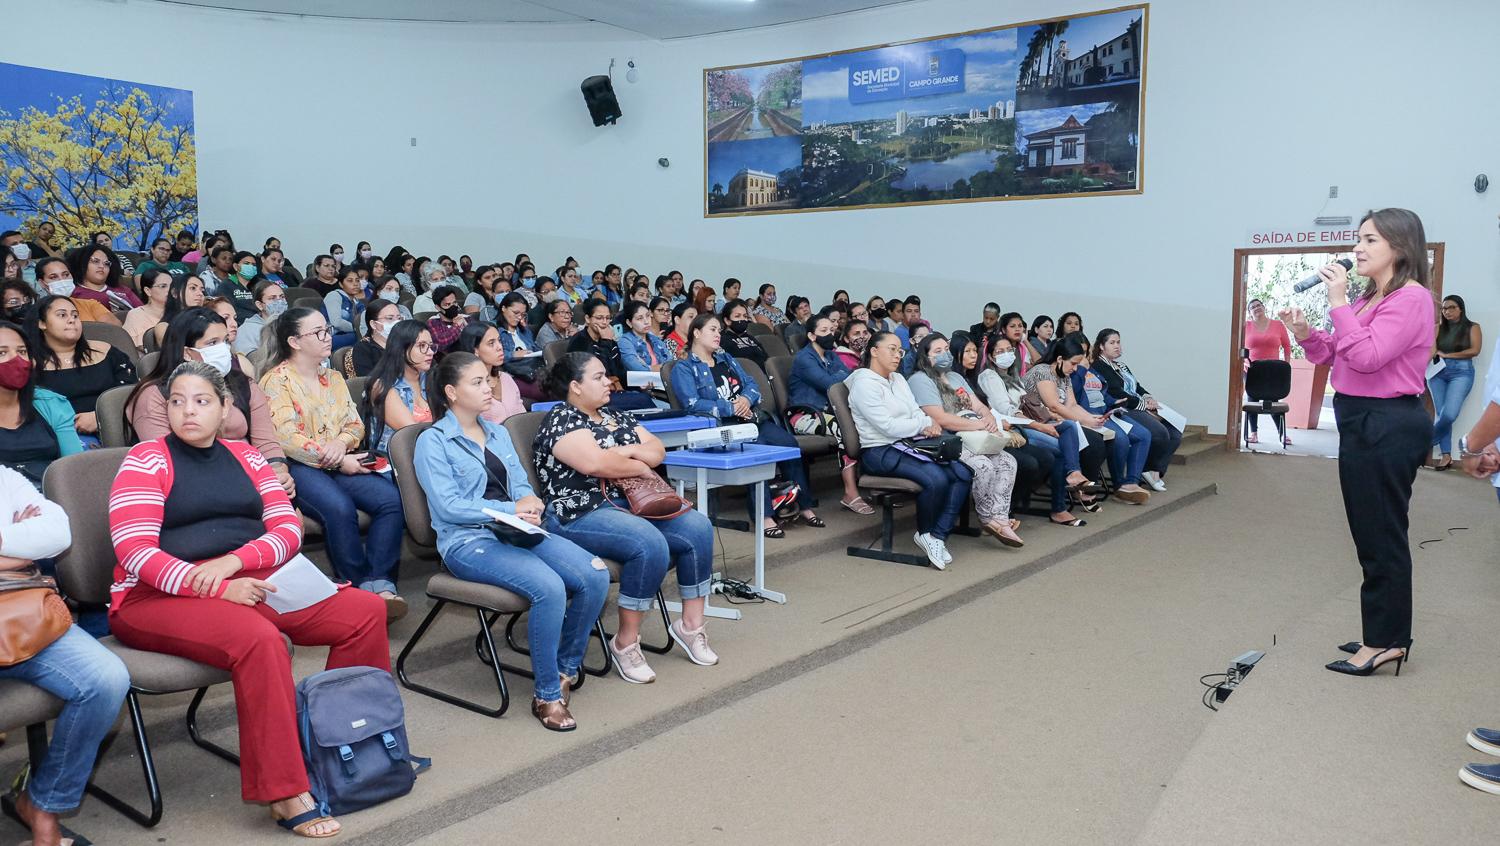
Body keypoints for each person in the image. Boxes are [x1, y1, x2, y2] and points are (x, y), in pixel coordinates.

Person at [108, 360, 388, 839]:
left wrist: (234, 564)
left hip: (250, 579)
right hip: (154, 596)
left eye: (201, 401)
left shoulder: (248, 457)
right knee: (262, 640)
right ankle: (283, 791)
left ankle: (354, 750)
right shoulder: (147, 459)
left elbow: (288, 530)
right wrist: (217, 585)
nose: (187, 412)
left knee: (365, 611)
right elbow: (134, 552)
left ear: (225, 409)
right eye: (176, 402)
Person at [414, 352, 606, 729]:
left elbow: (520, 484)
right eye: (478, 383)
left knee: (594, 574)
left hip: (517, 529)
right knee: (550, 587)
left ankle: (564, 669)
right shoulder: (432, 441)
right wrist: (507, 509)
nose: (489, 388)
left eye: (488, 380)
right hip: (468, 542)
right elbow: (449, 507)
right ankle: (547, 695)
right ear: (451, 392)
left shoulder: (498, 432)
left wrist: (530, 501)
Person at [1282, 208, 1434, 677]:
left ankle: (1384, 642)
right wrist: (1307, 334)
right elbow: (1339, 352)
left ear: (1400, 247)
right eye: (1358, 240)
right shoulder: (1374, 297)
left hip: (1387, 424)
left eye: (1369, 240)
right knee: (1372, 530)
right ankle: (1384, 632)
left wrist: (1336, 301)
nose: (1358, 249)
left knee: (1381, 533)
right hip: (1364, 420)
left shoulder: (1411, 299)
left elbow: (1367, 357)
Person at [535, 353, 719, 683]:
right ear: (575, 387)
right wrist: (636, 460)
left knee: (698, 527)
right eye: (599, 377)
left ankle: (691, 626)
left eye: (607, 375)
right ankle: (626, 642)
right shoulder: (561, 420)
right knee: (647, 542)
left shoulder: (613, 415)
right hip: (578, 513)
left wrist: (624, 453)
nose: (609, 382)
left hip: (632, 505)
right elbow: (595, 465)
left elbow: (657, 450)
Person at [0, 462, 130, 846]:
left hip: (19, 614)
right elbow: (31, 543)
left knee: (106, 678)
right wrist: (16, 545)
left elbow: (55, 533)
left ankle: (42, 804)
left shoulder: (5, 478)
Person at [260, 307, 406, 617]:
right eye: (318, 333)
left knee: (391, 501)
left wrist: (341, 444)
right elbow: (286, 437)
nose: (328, 337)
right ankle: (359, 588)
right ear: (295, 342)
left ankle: (382, 583)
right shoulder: (275, 381)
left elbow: (355, 425)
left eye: (326, 330)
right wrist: (337, 460)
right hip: (299, 465)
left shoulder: (334, 377)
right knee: (338, 509)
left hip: (341, 457)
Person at [670, 313, 822, 536]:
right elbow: (693, 403)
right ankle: (765, 516)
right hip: (723, 427)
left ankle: (804, 505)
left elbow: (751, 384)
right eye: (713, 329)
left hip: (749, 418)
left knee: (788, 444)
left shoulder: (726, 359)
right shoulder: (684, 368)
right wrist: (731, 407)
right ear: (696, 333)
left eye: (720, 331)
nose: (718, 334)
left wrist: (745, 400)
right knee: (758, 449)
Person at [127, 307, 295, 495]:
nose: (223, 349)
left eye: (225, 341)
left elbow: (266, 444)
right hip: (190, 488)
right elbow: (166, 462)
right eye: (212, 343)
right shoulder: (154, 396)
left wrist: (278, 475)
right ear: (188, 353)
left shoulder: (243, 385)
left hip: (254, 481)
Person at [845, 331, 971, 567]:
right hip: (878, 451)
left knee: (962, 473)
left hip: (909, 443)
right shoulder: (863, 383)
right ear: (874, 351)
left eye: (900, 351)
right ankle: (925, 532)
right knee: (937, 479)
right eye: (891, 349)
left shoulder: (899, 380)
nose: (897, 355)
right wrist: (924, 424)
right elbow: (887, 427)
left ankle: (937, 535)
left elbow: (915, 411)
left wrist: (924, 423)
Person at [908, 334, 1026, 547]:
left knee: (1008, 462)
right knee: (984, 466)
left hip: (974, 434)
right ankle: (987, 517)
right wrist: (979, 425)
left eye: (946, 349)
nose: (945, 354)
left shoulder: (955, 377)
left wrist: (988, 418)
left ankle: (1000, 517)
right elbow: (940, 418)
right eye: (938, 351)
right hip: (947, 439)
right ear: (925, 356)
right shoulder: (920, 379)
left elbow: (978, 406)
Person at [787, 314, 870, 514]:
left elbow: (850, 380)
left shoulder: (831, 355)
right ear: (812, 336)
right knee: (845, 430)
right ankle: (850, 493)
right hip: (803, 416)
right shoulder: (804, 358)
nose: (830, 334)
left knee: (864, 423)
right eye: (823, 331)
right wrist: (838, 376)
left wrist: (838, 377)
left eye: (831, 331)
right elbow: (830, 384)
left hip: (829, 413)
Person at [33, 295, 137, 444]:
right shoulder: (29, 362)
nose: (72, 320)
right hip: (58, 437)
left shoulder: (105, 351)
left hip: (119, 426)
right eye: (62, 315)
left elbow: (131, 391)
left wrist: (100, 417)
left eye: (75, 315)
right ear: (42, 323)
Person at [1021, 334, 1112, 503]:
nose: (1076, 369)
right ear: (1060, 359)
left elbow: (1072, 405)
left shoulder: (1065, 375)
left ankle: (1083, 487)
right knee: (1092, 442)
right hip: (1040, 422)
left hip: (1060, 421)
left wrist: (1091, 418)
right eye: (1074, 363)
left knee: (1097, 439)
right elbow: (1054, 406)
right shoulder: (1043, 372)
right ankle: (1080, 488)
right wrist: (1085, 422)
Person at [1091, 328, 1182, 491]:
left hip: (1139, 404)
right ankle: (1146, 469)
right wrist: (1144, 406)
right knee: (1160, 433)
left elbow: (1137, 386)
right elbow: (1117, 393)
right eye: (1112, 343)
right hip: (1125, 408)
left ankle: (1155, 471)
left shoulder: (1121, 366)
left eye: (1118, 342)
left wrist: (1148, 398)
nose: (1117, 346)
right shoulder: (1099, 366)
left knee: (1175, 432)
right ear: (1101, 347)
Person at [1069, 337, 1153, 505]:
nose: (1085, 357)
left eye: (1086, 352)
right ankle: (1119, 485)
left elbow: (1102, 391)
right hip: (1088, 414)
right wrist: (1081, 371)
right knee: (1120, 439)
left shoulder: (1093, 370)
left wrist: (1113, 402)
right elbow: (1075, 397)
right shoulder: (1072, 371)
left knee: (1144, 435)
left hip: (1107, 410)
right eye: (1080, 353)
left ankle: (1132, 482)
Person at [0, 321, 84, 486]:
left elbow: (76, 468)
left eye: (22, 351)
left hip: (51, 497)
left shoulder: (50, 403)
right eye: (2, 353)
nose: (15, 359)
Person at [567, 300, 657, 411]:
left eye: (607, 318)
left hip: (613, 389)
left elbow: (618, 371)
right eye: (599, 318)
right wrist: (606, 341)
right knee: (643, 400)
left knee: (645, 396)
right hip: (590, 393)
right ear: (588, 319)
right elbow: (598, 372)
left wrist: (638, 384)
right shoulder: (579, 341)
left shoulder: (609, 341)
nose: (604, 322)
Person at [364, 320, 435, 457]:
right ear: (401, 350)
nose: (430, 352)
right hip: (400, 462)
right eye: (422, 346)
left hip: (431, 454)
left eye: (431, 346)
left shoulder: (431, 379)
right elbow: (413, 433)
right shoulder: (381, 387)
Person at [1428, 294, 1482, 470]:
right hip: (1438, 373)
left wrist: (1449, 355)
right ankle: (1446, 456)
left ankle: (1423, 444)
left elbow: (1475, 350)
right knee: (1442, 414)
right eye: (1444, 308)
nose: (1447, 311)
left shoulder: (1473, 327)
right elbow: (1432, 351)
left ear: (1460, 308)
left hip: (1461, 372)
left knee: (1449, 414)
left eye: (1451, 307)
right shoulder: (1437, 328)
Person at [1243, 297, 1294, 445]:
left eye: (1259, 305)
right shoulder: (1246, 326)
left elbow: (1287, 346)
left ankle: (1282, 434)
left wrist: (1286, 363)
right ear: (1250, 312)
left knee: (1273, 400)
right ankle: (1253, 433)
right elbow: (1238, 346)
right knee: (1252, 398)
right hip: (1252, 370)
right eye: (1253, 307)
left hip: (1274, 371)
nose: (1257, 308)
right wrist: (1242, 362)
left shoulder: (1278, 325)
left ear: (1264, 307)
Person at [452, 322, 526, 423]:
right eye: (491, 343)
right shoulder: (467, 387)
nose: (499, 347)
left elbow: (523, 417)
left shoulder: (506, 378)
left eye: (499, 341)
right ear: (475, 350)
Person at [68, 243, 141, 314]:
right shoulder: (73, 294)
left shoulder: (124, 290)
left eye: (106, 263)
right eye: (95, 261)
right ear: (81, 263)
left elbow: (145, 313)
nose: (101, 266)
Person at [347, 298, 401, 378]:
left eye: (399, 318)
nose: (396, 323)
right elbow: (369, 383)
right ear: (373, 324)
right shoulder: (362, 349)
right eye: (390, 318)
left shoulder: (405, 343)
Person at [123, 267, 173, 349]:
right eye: (163, 286)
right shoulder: (136, 315)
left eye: (172, 286)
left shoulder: (179, 312)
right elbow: (132, 350)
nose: (169, 290)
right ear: (148, 291)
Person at [617, 300, 672, 375]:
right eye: (640, 318)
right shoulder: (625, 342)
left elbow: (671, 365)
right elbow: (638, 369)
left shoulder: (655, 339)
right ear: (629, 323)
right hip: (640, 385)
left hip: (663, 383)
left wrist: (649, 367)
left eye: (648, 316)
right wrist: (661, 367)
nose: (646, 321)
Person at [235, 281, 288, 357]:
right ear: (259, 305)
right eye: (272, 298)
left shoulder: (293, 323)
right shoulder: (247, 331)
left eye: (282, 297)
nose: (279, 301)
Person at [323, 265, 365, 352]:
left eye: (357, 280)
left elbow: (364, 322)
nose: (355, 284)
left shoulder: (357, 302)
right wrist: (358, 329)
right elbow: (337, 322)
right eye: (350, 281)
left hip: (351, 335)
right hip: (329, 337)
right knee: (363, 338)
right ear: (341, 284)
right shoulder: (334, 296)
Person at [717, 299, 767, 368]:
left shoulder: (751, 338)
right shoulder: (722, 339)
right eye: (737, 316)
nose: (742, 319)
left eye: (745, 316)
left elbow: (766, 358)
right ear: (727, 320)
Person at [425, 285, 469, 355]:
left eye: (454, 303)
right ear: (438, 307)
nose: (453, 306)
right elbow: (441, 343)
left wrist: (468, 327)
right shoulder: (433, 322)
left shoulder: (465, 317)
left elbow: (480, 338)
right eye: (447, 304)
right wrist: (457, 326)